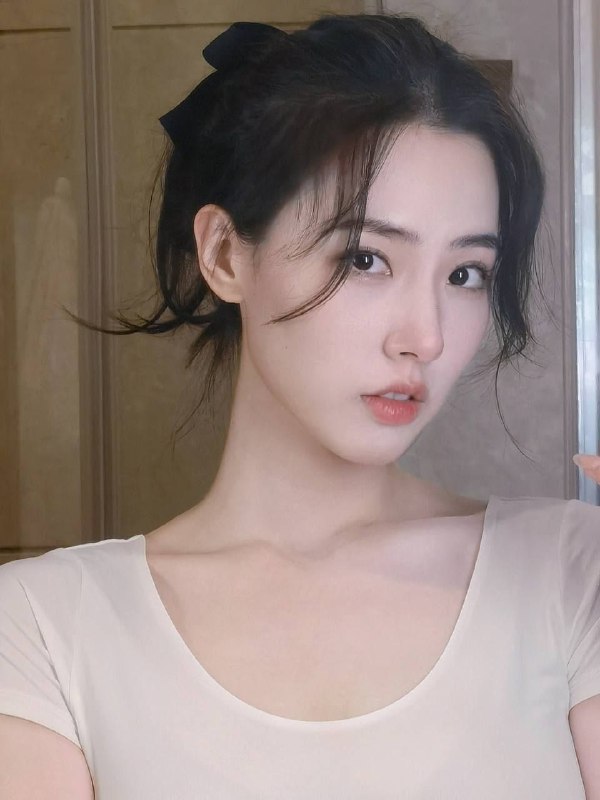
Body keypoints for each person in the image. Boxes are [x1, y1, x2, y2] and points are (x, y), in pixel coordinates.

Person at [1, 12, 599, 799]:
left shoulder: (571, 571)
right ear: (225, 255)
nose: (424, 337)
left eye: (465, 275)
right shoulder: (44, 630)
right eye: (366, 258)